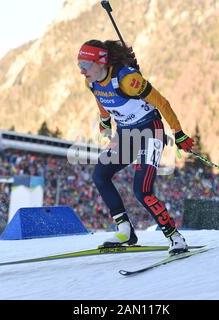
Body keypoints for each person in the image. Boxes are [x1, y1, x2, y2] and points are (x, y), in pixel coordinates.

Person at [77, 40, 195, 254]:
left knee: (142, 190)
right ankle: (125, 230)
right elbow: (101, 98)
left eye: (85, 65)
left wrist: (178, 133)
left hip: (150, 131)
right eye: (79, 65)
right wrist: (105, 121)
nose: (82, 71)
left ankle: (175, 237)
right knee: (100, 175)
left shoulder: (128, 80)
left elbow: (162, 103)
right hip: (126, 134)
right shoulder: (91, 82)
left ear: (101, 62)